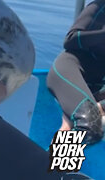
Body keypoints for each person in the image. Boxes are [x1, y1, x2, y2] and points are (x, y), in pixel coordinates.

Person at [47, 0, 105, 145]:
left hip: (99, 85)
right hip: (72, 68)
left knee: (77, 125)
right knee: (90, 125)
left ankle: (54, 165)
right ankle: (49, 166)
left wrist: (102, 105)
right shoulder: (101, 6)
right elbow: (71, 40)